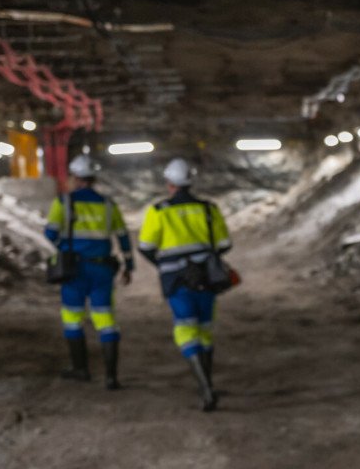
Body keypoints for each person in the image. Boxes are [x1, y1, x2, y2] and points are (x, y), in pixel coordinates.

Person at [138, 157, 232, 411]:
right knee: (204, 330)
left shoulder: (159, 211)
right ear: (191, 183)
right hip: (206, 278)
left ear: (169, 184)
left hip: (176, 280)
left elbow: (145, 247)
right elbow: (224, 245)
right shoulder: (209, 209)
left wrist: (163, 264)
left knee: (185, 330)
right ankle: (207, 383)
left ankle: (205, 388)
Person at [44, 154, 134, 389]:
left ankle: (80, 369)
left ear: (75, 177)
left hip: (73, 270)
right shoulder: (108, 205)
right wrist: (128, 265)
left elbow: (50, 233)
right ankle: (111, 376)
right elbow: (123, 236)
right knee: (106, 319)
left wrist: (64, 247)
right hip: (102, 269)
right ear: (93, 178)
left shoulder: (63, 202)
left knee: (73, 318)